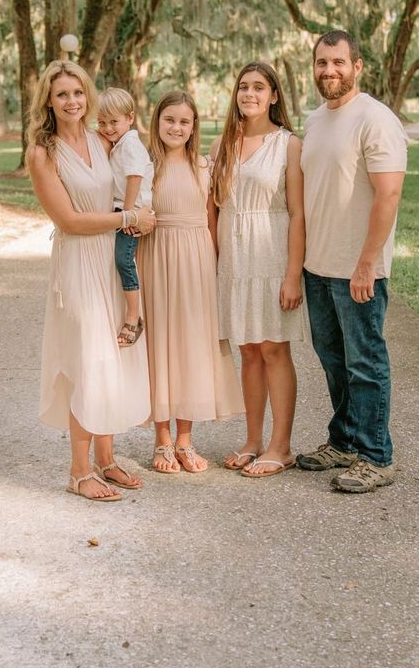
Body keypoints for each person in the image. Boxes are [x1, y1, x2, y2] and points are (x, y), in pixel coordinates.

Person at [26, 60, 156, 502]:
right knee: (88, 359)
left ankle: (107, 458)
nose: (72, 101)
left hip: (109, 260)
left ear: (89, 96)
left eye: (78, 93)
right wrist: (129, 217)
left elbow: (140, 163)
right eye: (62, 94)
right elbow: (69, 219)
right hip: (78, 262)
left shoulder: (102, 140)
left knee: (113, 358)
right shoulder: (42, 153)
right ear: (48, 99)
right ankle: (78, 471)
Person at [297, 29, 407, 493]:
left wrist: (366, 263)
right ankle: (343, 441)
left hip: (357, 269)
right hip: (318, 267)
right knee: (333, 361)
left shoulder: (376, 119)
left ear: (357, 66)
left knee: (366, 362)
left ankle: (376, 455)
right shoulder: (314, 120)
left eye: (338, 62)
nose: (329, 71)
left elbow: (389, 194)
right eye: (322, 63)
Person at [137, 91, 243, 473]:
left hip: (197, 262)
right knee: (161, 345)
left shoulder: (204, 168)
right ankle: (162, 440)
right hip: (155, 259)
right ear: (157, 121)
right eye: (169, 120)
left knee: (192, 347)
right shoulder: (145, 167)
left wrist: (217, 271)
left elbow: (212, 224)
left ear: (193, 126)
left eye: (184, 121)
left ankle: (185, 439)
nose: (176, 127)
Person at [209, 62, 306, 478]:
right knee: (248, 349)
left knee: (272, 348)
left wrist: (292, 273)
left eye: (259, 87)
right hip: (234, 260)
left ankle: (280, 446)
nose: (249, 94)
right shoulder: (221, 145)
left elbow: (299, 214)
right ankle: (252, 440)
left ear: (273, 96)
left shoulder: (289, 145)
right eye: (243, 87)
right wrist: (214, 262)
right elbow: (213, 209)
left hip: (270, 257)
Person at [97, 87, 154, 348]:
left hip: (130, 212)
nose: (108, 128)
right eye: (102, 122)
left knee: (123, 261)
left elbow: (135, 178)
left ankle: (133, 316)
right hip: (121, 211)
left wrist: (129, 215)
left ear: (130, 118)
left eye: (113, 122)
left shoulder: (130, 143)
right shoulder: (119, 142)